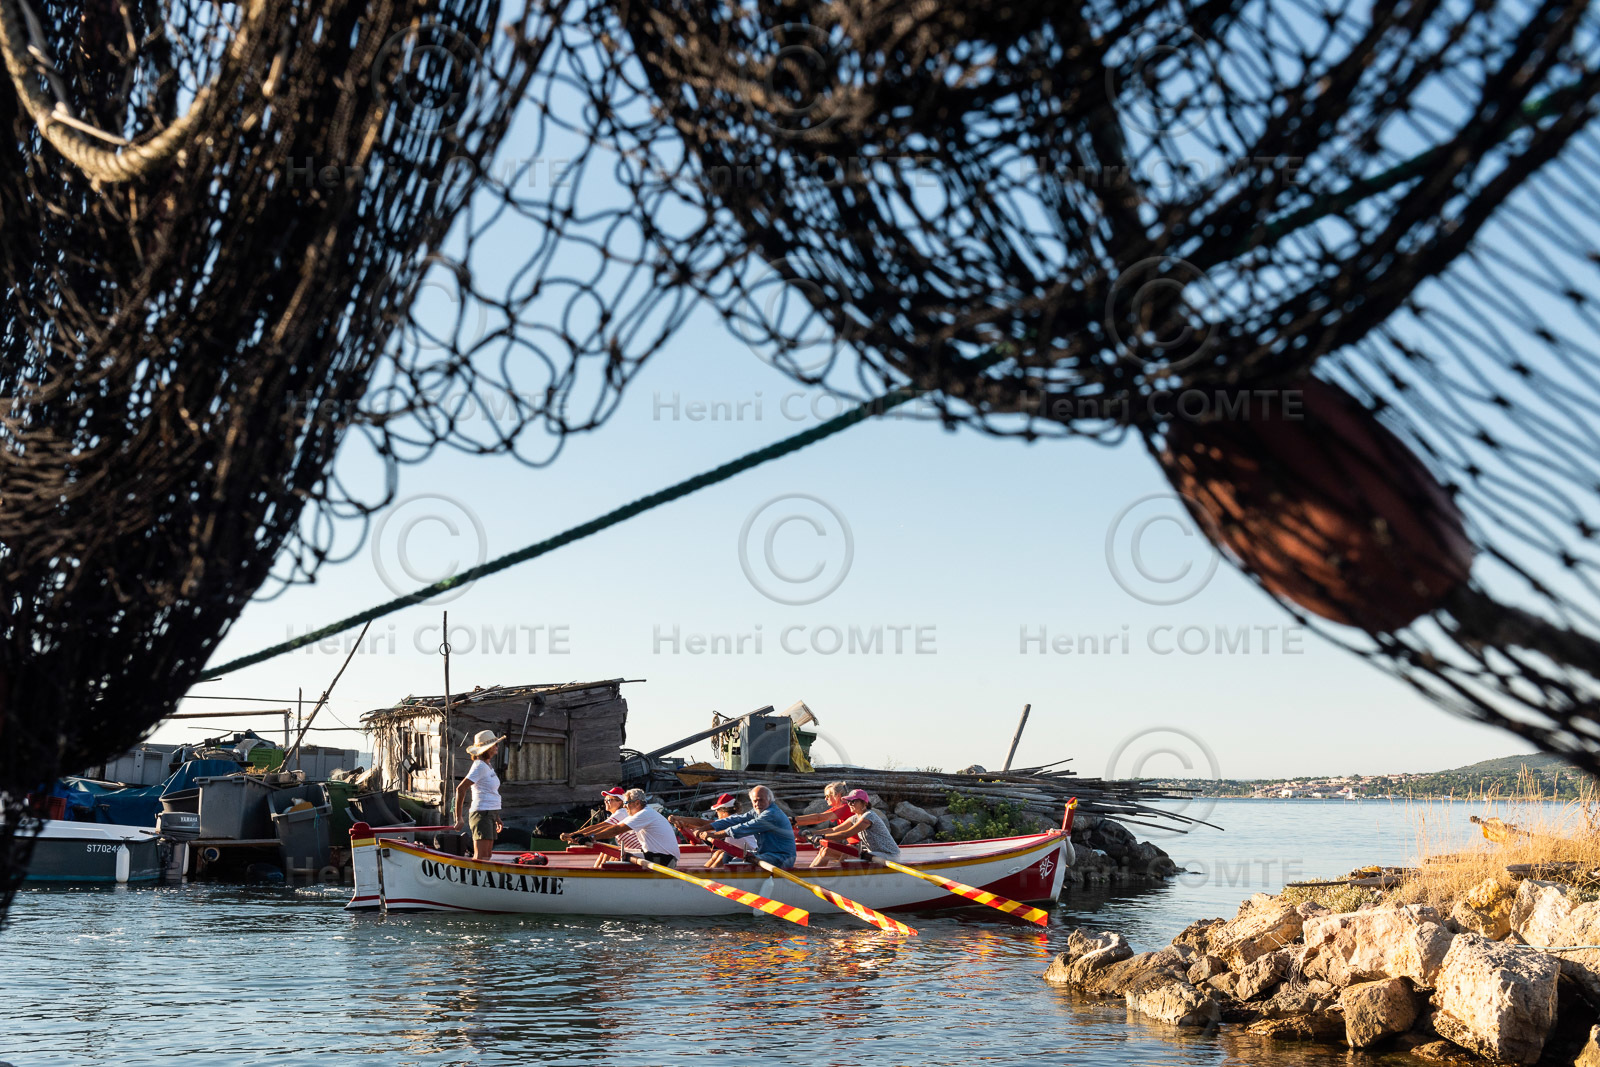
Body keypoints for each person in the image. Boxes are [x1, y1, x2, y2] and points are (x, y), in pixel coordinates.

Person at [702, 785, 796, 868]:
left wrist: (715, 835)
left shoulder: (771, 814)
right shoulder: (758, 810)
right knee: (727, 855)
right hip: (765, 853)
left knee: (735, 863)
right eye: (755, 801)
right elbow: (736, 820)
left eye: (761, 800)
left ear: (769, 800)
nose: (757, 804)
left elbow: (744, 828)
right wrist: (704, 828)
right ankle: (707, 879)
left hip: (781, 858)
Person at [585, 788, 681, 867]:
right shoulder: (639, 814)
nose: (624, 806)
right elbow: (615, 827)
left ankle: (600, 879)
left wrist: (591, 837)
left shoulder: (645, 814)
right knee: (613, 852)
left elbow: (616, 830)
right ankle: (597, 874)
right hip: (656, 856)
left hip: (664, 859)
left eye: (626, 803)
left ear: (637, 803)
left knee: (616, 856)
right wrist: (584, 835)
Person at [812, 789, 900, 867]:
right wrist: (812, 833)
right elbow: (833, 830)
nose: (849, 804)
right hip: (875, 853)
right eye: (848, 801)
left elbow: (847, 834)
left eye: (853, 801)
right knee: (826, 850)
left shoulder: (869, 816)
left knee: (843, 854)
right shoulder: (855, 817)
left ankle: (824, 878)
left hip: (889, 855)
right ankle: (813, 875)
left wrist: (823, 837)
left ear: (864, 803)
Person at [454, 730, 505, 860]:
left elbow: (491, 792)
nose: (496, 747)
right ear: (487, 749)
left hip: (490, 813)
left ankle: (482, 879)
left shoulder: (488, 765)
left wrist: (496, 817)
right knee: (481, 856)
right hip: (481, 814)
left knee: (487, 855)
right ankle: (473, 879)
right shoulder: (479, 766)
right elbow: (461, 789)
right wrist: (458, 817)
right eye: (494, 745)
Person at [670, 793, 757, 869]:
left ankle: (706, 876)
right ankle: (703, 872)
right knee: (718, 853)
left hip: (749, 854)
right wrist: (685, 825)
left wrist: (680, 818)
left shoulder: (731, 820)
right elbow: (705, 826)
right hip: (739, 852)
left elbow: (703, 823)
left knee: (723, 855)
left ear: (723, 811)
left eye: (717, 811)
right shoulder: (733, 819)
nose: (716, 814)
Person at [563, 787, 641, 867]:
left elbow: (601, 826)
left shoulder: (622, 813)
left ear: (620, 802)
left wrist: (575, 834)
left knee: (607, 859)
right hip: (628, 849)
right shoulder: (619, 813)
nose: (606, 802)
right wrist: (577, 835)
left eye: (609, 800)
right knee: (605, 853)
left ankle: (597, 874)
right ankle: (595, 874)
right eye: (605, 800)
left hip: (637, 852)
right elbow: (600, 828)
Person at [794, 781, 858, 860]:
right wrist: (810, 833)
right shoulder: (838, 807)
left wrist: (793, 820)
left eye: (828, 795)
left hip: (858, 846)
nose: (826, 798)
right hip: (852, 844)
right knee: (826, 846)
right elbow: (825, 824)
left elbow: (819, 818)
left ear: (837, 795)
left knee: (827, 850)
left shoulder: (845, 807)